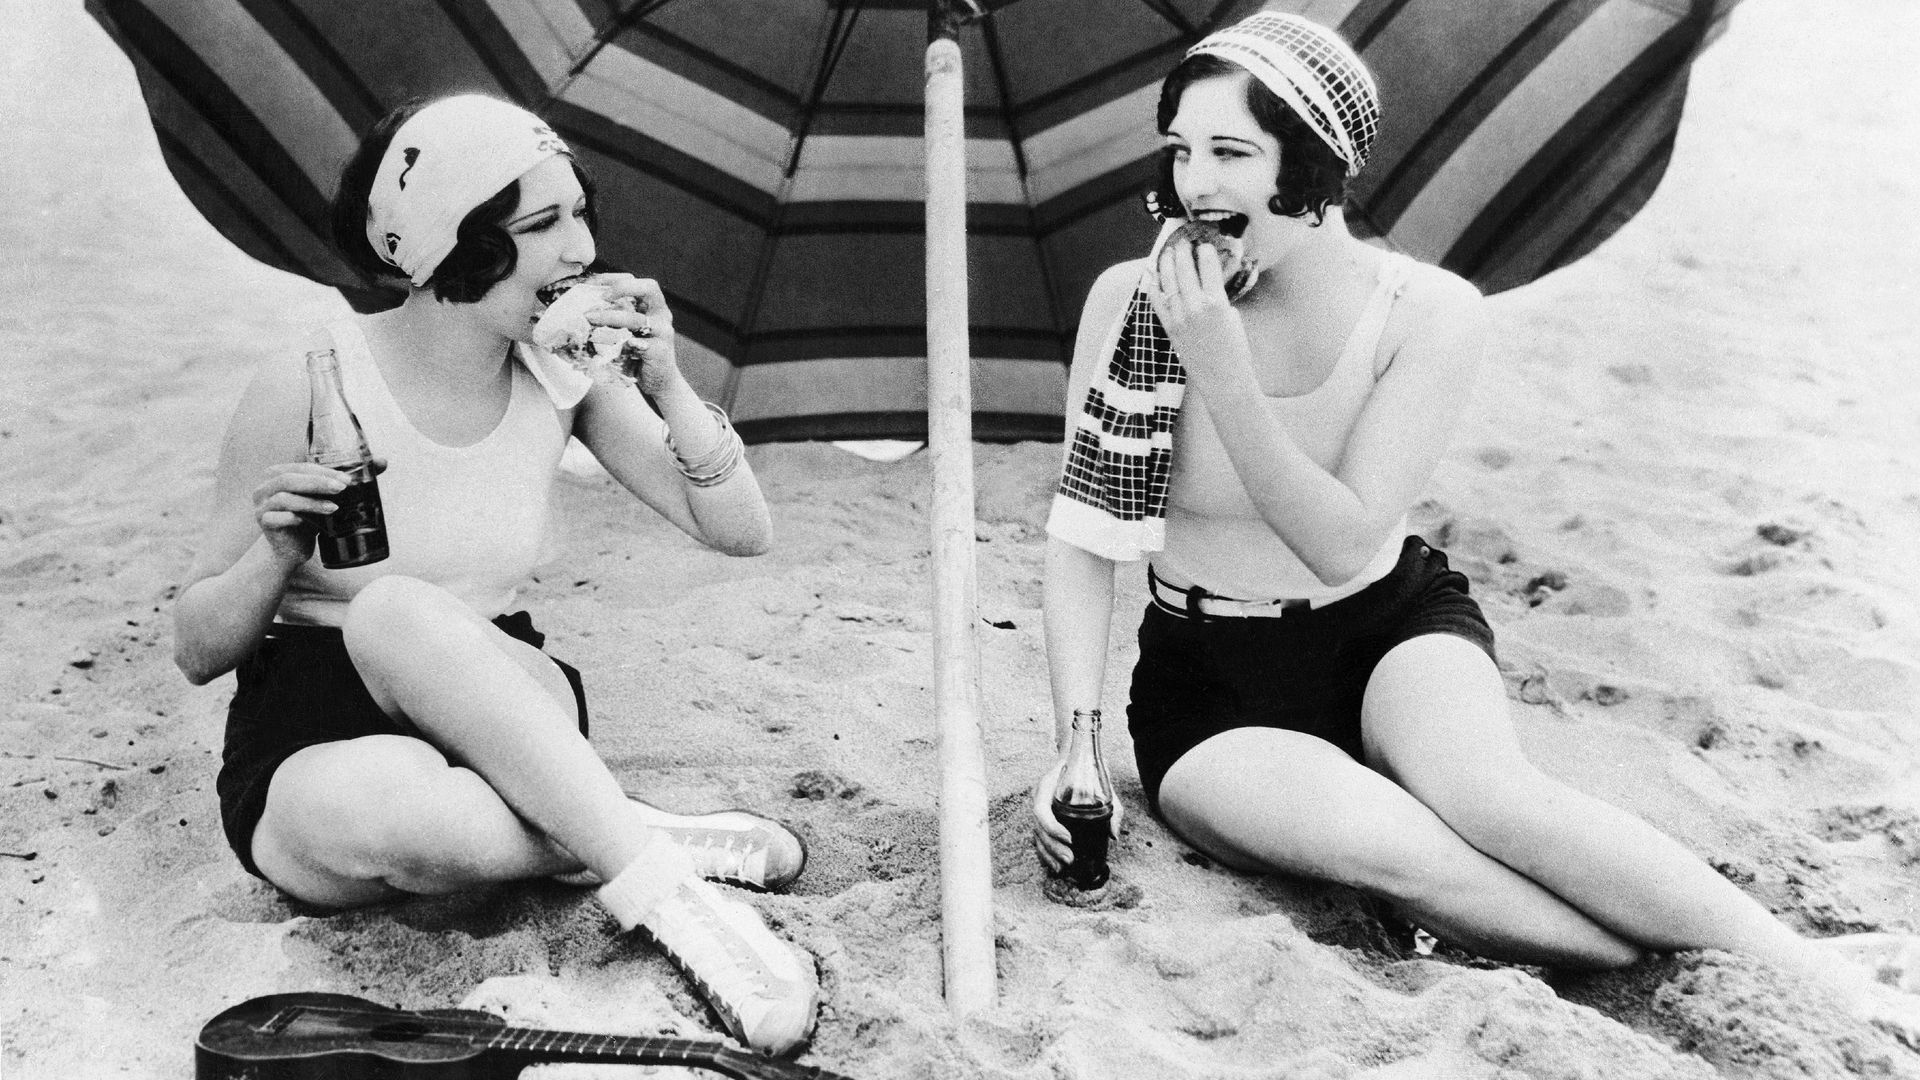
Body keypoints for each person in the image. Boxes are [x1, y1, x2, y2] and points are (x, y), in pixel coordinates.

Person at [1029, 10, 1917, 1036]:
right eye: (1182, 150)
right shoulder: (1129, 303)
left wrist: (1220, 365)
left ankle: (1813, 974)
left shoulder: (1429, 313)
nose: (1197, 185)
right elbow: (1083, 537)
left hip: (1382, 621)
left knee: (1491, 798)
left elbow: (1344, 539)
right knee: (1400, 848)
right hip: (1208, 678)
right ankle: (1654, 957)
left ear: (1315, 167)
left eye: (1233, 152)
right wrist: (1076, 746)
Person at [173, 94, 817, 1055]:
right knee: (430, 810)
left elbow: (740, 531)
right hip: (311, 723)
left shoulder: (565, 374)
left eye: (580, 213)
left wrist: (671, 386)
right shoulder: (313, 378)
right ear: (451, 241)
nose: (582, 248)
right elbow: (194, 646)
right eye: (544, 223)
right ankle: (623, 832)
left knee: (392, 611)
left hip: (505, 698)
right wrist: (275, 553)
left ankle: (670, 902)